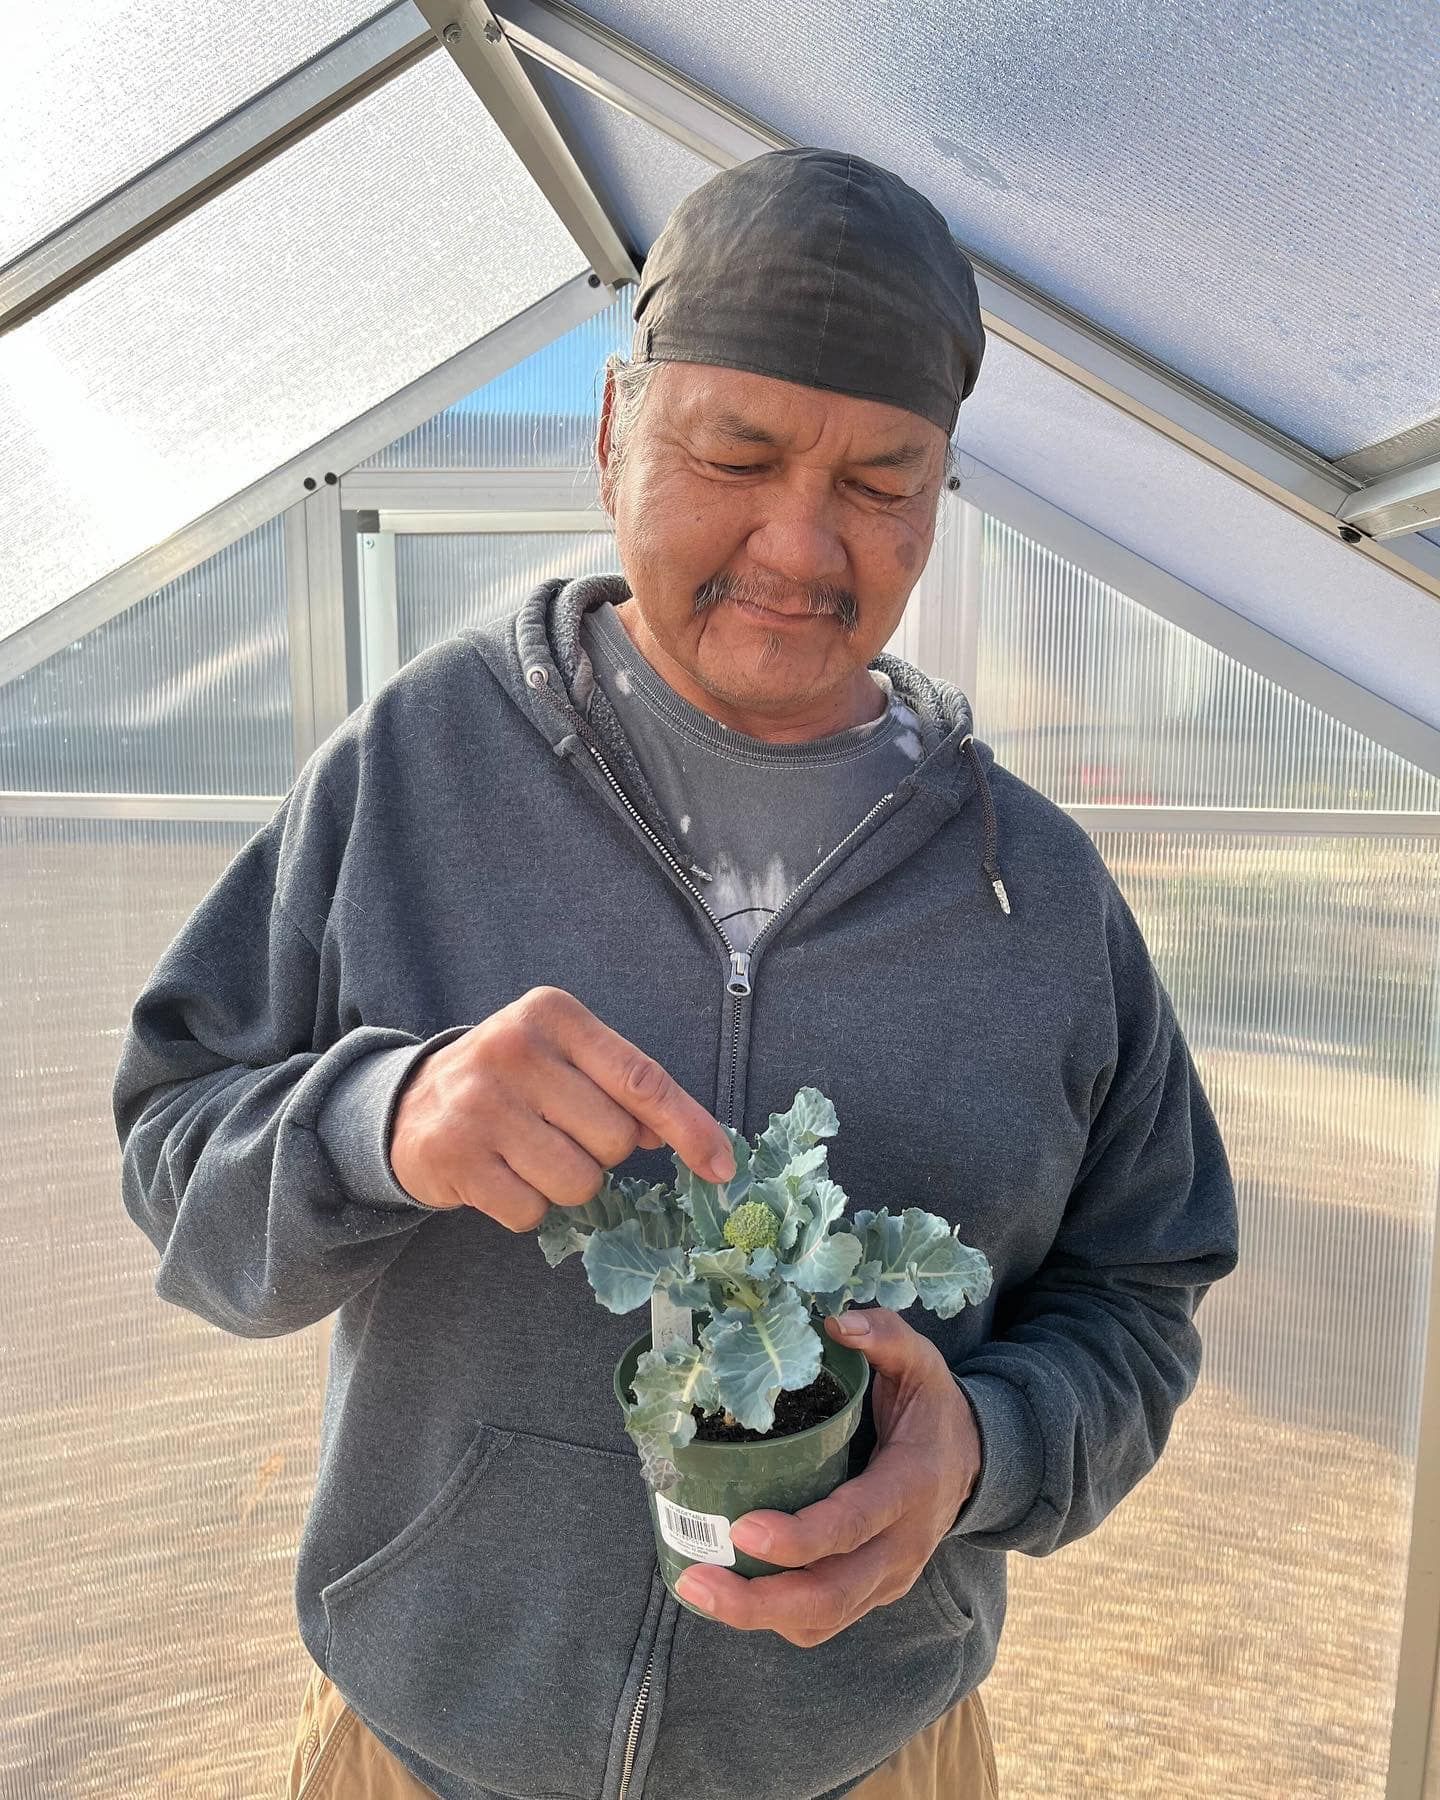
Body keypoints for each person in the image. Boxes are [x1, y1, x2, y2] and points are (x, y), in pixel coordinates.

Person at [113, 147, 1239, 1800]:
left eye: (882, 480)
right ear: (613, 435)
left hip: (866, 1759)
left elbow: (1143, 1293)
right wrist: (384, 1117)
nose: (801, 542)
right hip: (422, 1749)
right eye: (737, 452)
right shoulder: (413, 772)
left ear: (939, 498)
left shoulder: (1042, 895)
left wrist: (982, 1452)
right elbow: (174, 1162)